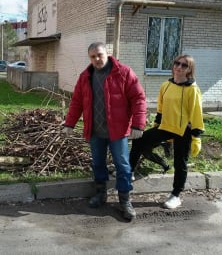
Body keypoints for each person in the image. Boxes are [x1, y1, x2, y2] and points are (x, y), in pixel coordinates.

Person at [63, 42, 147, 220]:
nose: (97, 59)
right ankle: (101, 194)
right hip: (95, 131)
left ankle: (125, 200)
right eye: (93, 56)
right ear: (89, 58)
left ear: (107, 53)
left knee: (123, 166)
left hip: (118, 131)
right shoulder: (85, 76)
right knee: (98, 163)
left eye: (100, 55)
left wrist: (138, 124)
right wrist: (69, 124)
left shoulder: (123, 72)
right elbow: (77, 102)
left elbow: (138, 98)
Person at [130, 54, 204, 209]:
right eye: (177, 63)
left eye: (184, 65)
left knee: (180, 162)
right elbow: (161, 107)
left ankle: (176, 195)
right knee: (140, 139)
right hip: (166, 126)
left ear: (189, 70)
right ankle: (128, 172)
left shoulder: (193, 90)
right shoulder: (166, 85)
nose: (179, 67)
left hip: (184, 130)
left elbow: (196, 112)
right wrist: (157, 123)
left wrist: (196, 137)